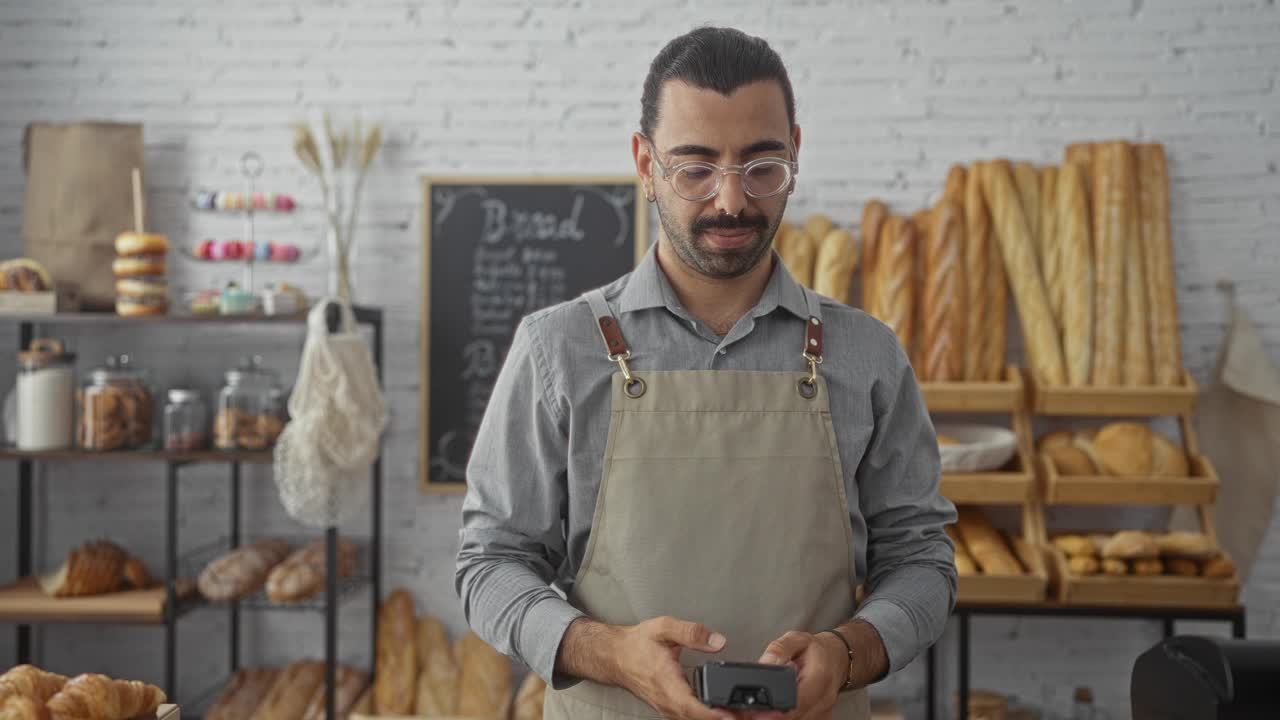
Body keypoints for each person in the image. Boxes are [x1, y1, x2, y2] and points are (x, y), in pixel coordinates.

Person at [457, 26, 956, 720]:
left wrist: (850, 652)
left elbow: (923, 563)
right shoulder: (558, 349)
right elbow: (489, 564)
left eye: (762, 167)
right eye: (695, 168)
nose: (730, 201)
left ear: (796, 154)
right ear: (644, 163)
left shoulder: (866, 354)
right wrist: (607, 653)